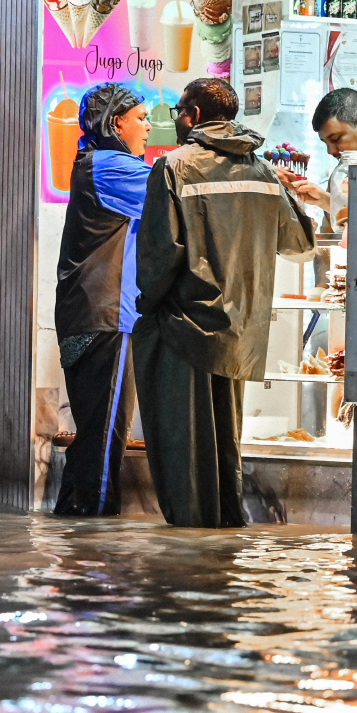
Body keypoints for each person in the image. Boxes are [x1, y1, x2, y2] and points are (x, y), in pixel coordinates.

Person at [133, 77, 315, 528]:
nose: (176, 119)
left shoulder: (173, 167)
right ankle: (226, 540)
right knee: (225, 446)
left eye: (178, 110)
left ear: (193, 115)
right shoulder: (263, 171)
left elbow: (160, 256)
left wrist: (146, 305)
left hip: (185, 328)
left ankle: (193, 548)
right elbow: (300, 243)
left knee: (185, 451)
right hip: (241, 335)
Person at [52, 83, 152, 516]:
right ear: (116, 123)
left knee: (94, 434)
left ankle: (70, 529)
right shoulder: (111, 167)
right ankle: (95, 536)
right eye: (141, 118)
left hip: (88, 315)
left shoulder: (93, 163)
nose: (148, 127)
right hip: (106, 316)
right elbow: (177, 191)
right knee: (106, 439)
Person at [275, 88, 357, 217]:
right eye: (325, 143)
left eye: (336, 139)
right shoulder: (341, 175)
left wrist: (330, 203)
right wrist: (325, 202)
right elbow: (333, 231)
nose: (330, 151)